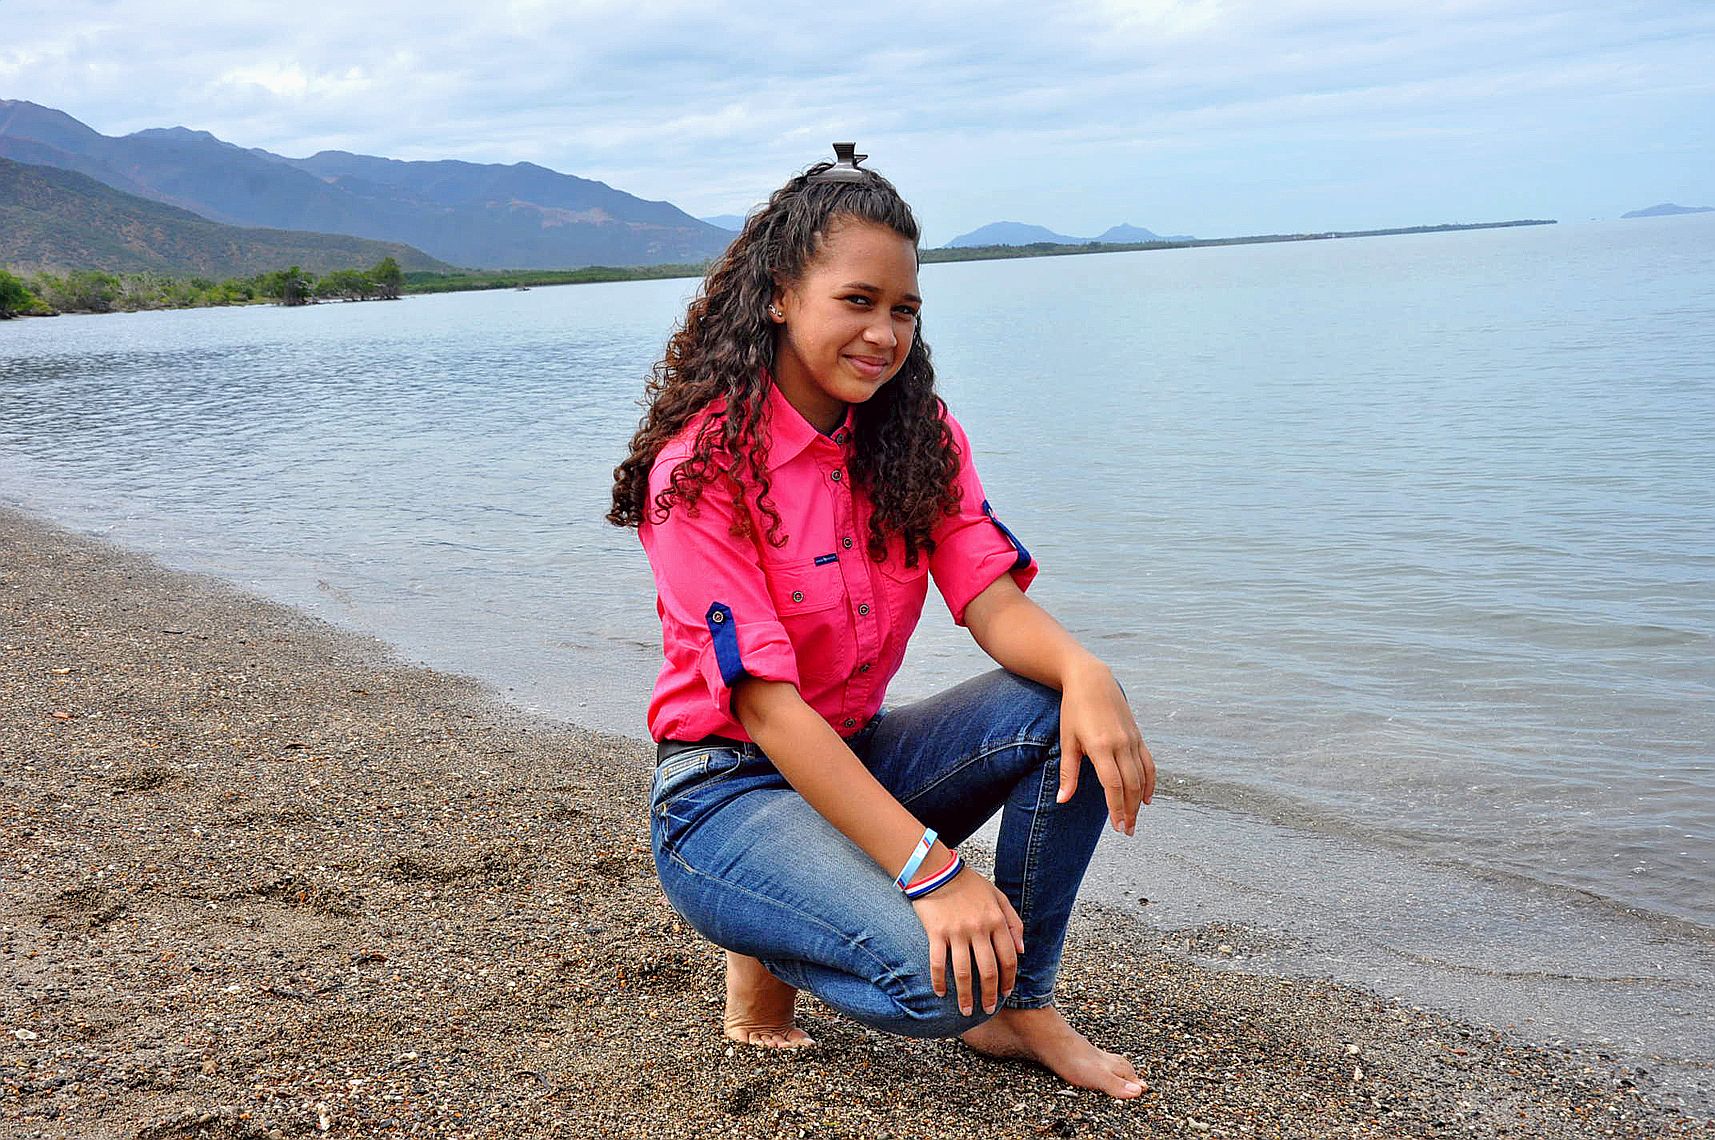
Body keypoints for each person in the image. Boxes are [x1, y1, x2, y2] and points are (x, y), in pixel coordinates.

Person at [607, 145, 1155, 1098]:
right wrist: (932, 874)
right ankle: (770, 932)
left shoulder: (915, 437)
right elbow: (769, 709)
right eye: (856, 300)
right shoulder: (701, 470)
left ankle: (1020, 1001)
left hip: (853, 760)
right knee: (944, 992)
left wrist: (1086, 672)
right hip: (724, 794)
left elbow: (988, 598)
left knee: (1050, 706)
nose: (883, 333)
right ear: (780, 294)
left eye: (903, 309)